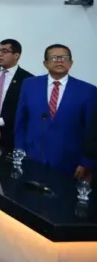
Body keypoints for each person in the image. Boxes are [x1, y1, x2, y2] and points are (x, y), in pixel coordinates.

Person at [15, 44, 97, 178]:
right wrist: (19, 150)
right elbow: (20, 121)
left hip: (69, 162)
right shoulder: (29, 84)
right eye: (54, 57)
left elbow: (92, 132)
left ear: (71, 63)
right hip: (31, 157)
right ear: (45, 63)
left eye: (64, 58)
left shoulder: (88, 91)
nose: (59, 61)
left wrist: (86, 162)